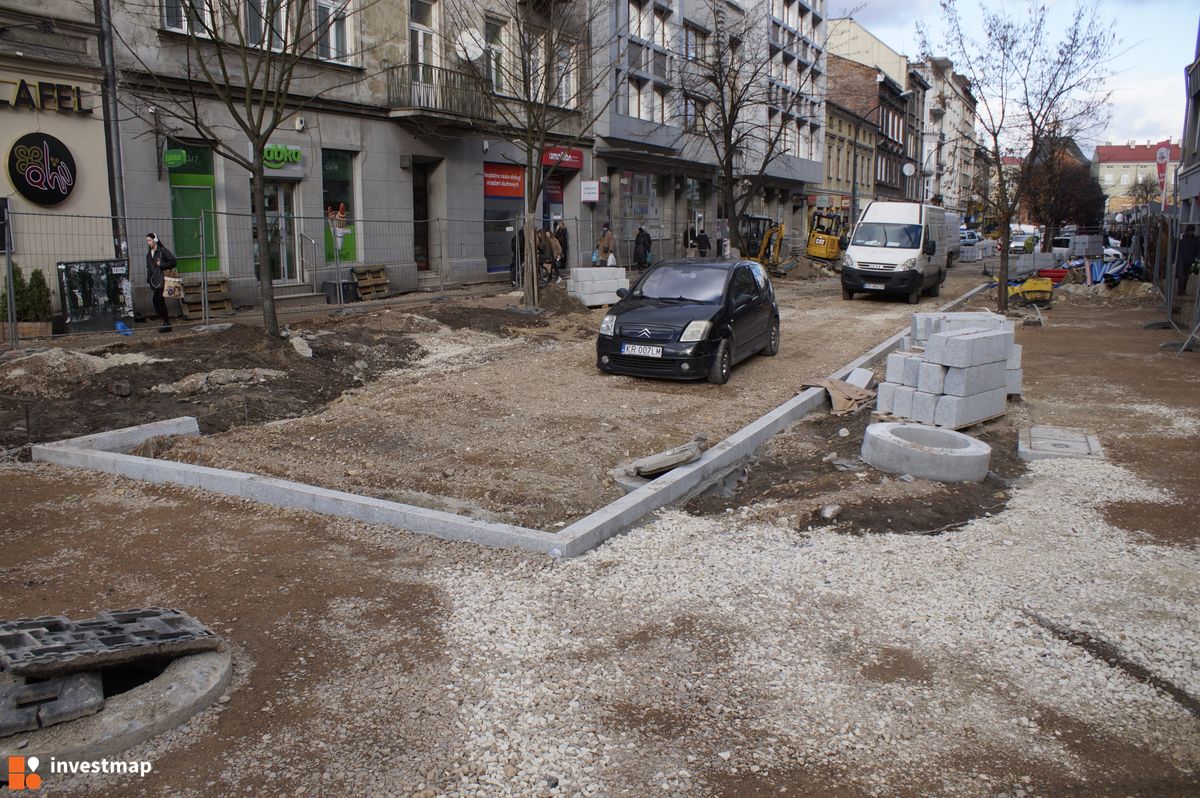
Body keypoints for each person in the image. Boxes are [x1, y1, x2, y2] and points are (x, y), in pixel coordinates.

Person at [145, 232, 176, 333]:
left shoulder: (163, 251)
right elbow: (149, 268)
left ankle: (166, 323)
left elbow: (173, 262)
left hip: (162, 280)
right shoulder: (149, 253)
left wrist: (161, 264)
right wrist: (149, 279)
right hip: (154, 281)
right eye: (147, 241)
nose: (148, 242)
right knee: (157, 302)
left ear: (155, 240)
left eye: (149, 240)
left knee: (159, 301)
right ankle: (166, 322)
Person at [1177, 225, 1199, 298]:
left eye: (1192, 231)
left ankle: (1183, 290)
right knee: (1181, 275)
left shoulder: (1195, 239)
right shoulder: (1181, 237)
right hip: (1181, 259)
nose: (1191, 232)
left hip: (1189, 260)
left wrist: (1197, 257)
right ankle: (1180, 290)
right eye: (1190, 231)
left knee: (1186, 276)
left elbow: (1198, 249)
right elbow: (1177, 248)